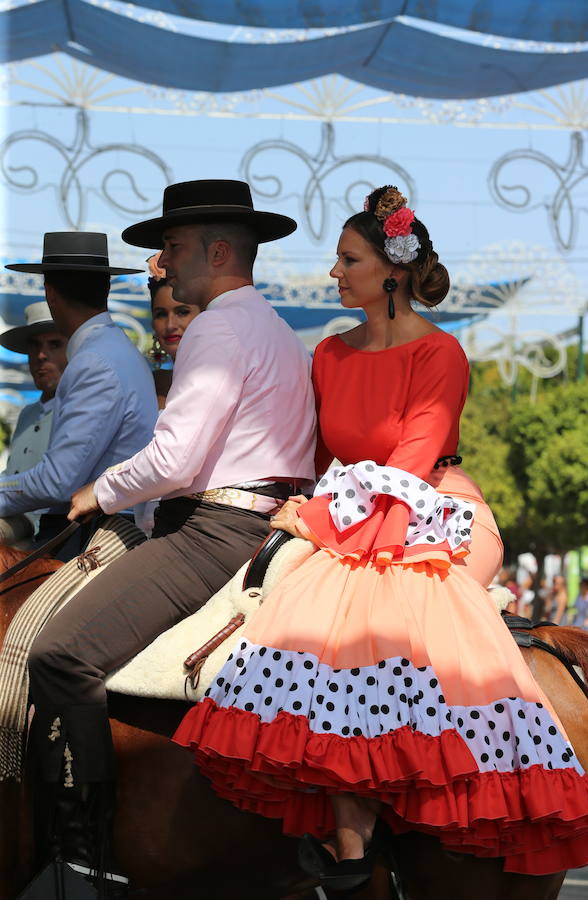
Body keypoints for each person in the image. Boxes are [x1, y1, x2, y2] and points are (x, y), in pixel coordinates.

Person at [173, 185, 588, 888]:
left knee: (372, 597)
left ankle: (376, 828)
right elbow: (315, 461)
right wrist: (295, 511)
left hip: (438, 508)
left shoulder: (442, 355)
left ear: (391, 270)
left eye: (347, 259)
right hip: (348, 511)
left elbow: (410, 473)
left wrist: (314, 522)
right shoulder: (330, 356)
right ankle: (354, 826)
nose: (333, 275)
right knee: (314, 595)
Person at [27, 180, 316, 889]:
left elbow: (177, 459)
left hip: (215, 527)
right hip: (255, 519)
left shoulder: (217, 326)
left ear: (219, 252)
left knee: (61, 652)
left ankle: (83, 839)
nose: (164, 260)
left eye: (175, 246)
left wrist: (100, 489)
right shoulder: (275, 327)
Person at [0, 232, 158, 560]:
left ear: (50, 293)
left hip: (91, 534)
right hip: (94, 525)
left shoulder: (94, 360)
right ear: (107, 289)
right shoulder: (112, 351)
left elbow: (56, 482)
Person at [0, 301, 68, 540]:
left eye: (55, 345)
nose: (41, 355)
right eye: (35, 345)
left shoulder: (80, 411)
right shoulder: (28, 413)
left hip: (51, 530)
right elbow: (11, 473)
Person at [146, 252, 201, 408]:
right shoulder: (149, 383)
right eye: (161, 314)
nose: (170, 325)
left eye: (182, 312)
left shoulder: (225, 378)